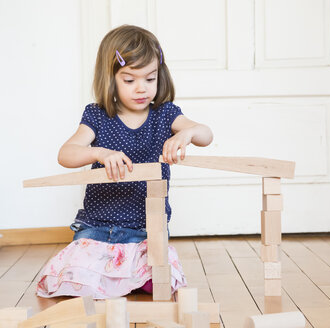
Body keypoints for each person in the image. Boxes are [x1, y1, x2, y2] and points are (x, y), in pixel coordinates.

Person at [36, 25, 213, 299]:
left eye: (150, 79)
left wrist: (187, 134)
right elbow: (66, 154)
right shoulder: (98, 115)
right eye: (129, 80)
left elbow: (206, 134)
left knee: (162, 281)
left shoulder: (165, 114)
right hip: (98, 231)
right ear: (111, 78)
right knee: (73, 280)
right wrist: (99, 153)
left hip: (146, 233)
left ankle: (129, 279)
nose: (141, 88)